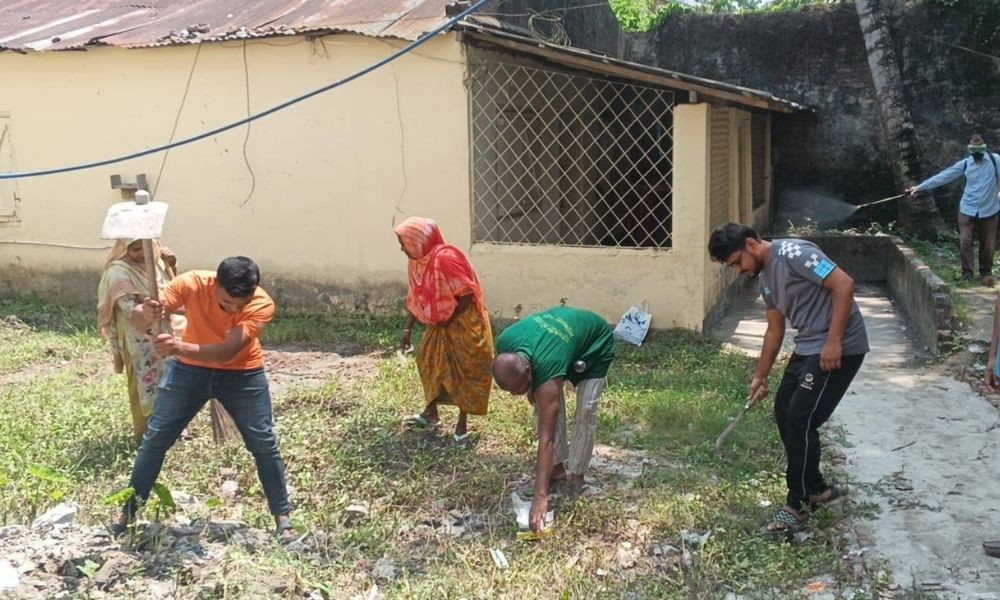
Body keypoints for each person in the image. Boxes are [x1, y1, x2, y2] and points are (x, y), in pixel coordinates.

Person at [114, 256, 295, 541]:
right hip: (189, 371)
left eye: (240, 305)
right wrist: (147, 311)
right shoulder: (192, 283)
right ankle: (126, 517)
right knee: (155, 439)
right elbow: (136, 318)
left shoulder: (262, 303)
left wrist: (177, 346)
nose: (234, 309)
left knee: (264, 443)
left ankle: (283, 520)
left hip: (242, 373)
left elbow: (226, 352)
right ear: (215, 285)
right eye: (226, 303)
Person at [707, 223, 869, 534]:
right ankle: (816, 488)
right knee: (784, 410)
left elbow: (844, 284)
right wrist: (760, 376)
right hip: (809, 346)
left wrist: (834, 341)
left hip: (840, 347)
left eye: (737, 262)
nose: (738, 271)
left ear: (752, 245)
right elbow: (775, 330)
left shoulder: (794, 253)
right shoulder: (765, 277)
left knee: (801, 418)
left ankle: (796, 504)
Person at [492, 306, 615, 532]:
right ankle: (556, 471)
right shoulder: (505, 343)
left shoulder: (546, 364)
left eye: (519, 389)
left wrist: (540, 497)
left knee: (584, 412)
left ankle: (577, 476)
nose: (515, 395)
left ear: (529, 371)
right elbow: (530, 384)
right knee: (544, 405)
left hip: (594, 345)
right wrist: (529, 390)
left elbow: (546, 438)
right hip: (559, 347)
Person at [394, 217, 494, 442]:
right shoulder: (417, 261)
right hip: (440, 323)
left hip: (464, 322)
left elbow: (468, 294)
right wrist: (407, 330)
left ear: (419, 240)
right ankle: (431, 413)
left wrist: (447, 318)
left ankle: (461, 426)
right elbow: (415, 296)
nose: (402, 248)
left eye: (404, 242)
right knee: (427, 360)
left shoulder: (446, 259)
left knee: (464, 369)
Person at [97, 239, 180, 444]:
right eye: (135, 250)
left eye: (146, 249)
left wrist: (172, 265)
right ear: (124, 250)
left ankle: (172, 430)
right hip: (139, 340)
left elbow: (172, 290)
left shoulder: (156, 263)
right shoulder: (118, 272)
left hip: (164, 331)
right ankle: (146, 437)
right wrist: (147, 310)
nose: (141, 255)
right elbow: (131, 311)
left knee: (170, 380)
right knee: (145, 384)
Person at [905, 133, 1000, 287]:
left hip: (990, 210)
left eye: (979, 144)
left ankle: (986, 273)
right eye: (973, 145)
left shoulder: (996, 161)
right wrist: (919, 187)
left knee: (988, 244)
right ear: (969, 147)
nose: (977, 149)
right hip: (967, 209)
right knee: (965, 242)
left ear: (985, 145)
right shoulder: (965, 164)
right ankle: (967, 274)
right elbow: (943, 176)